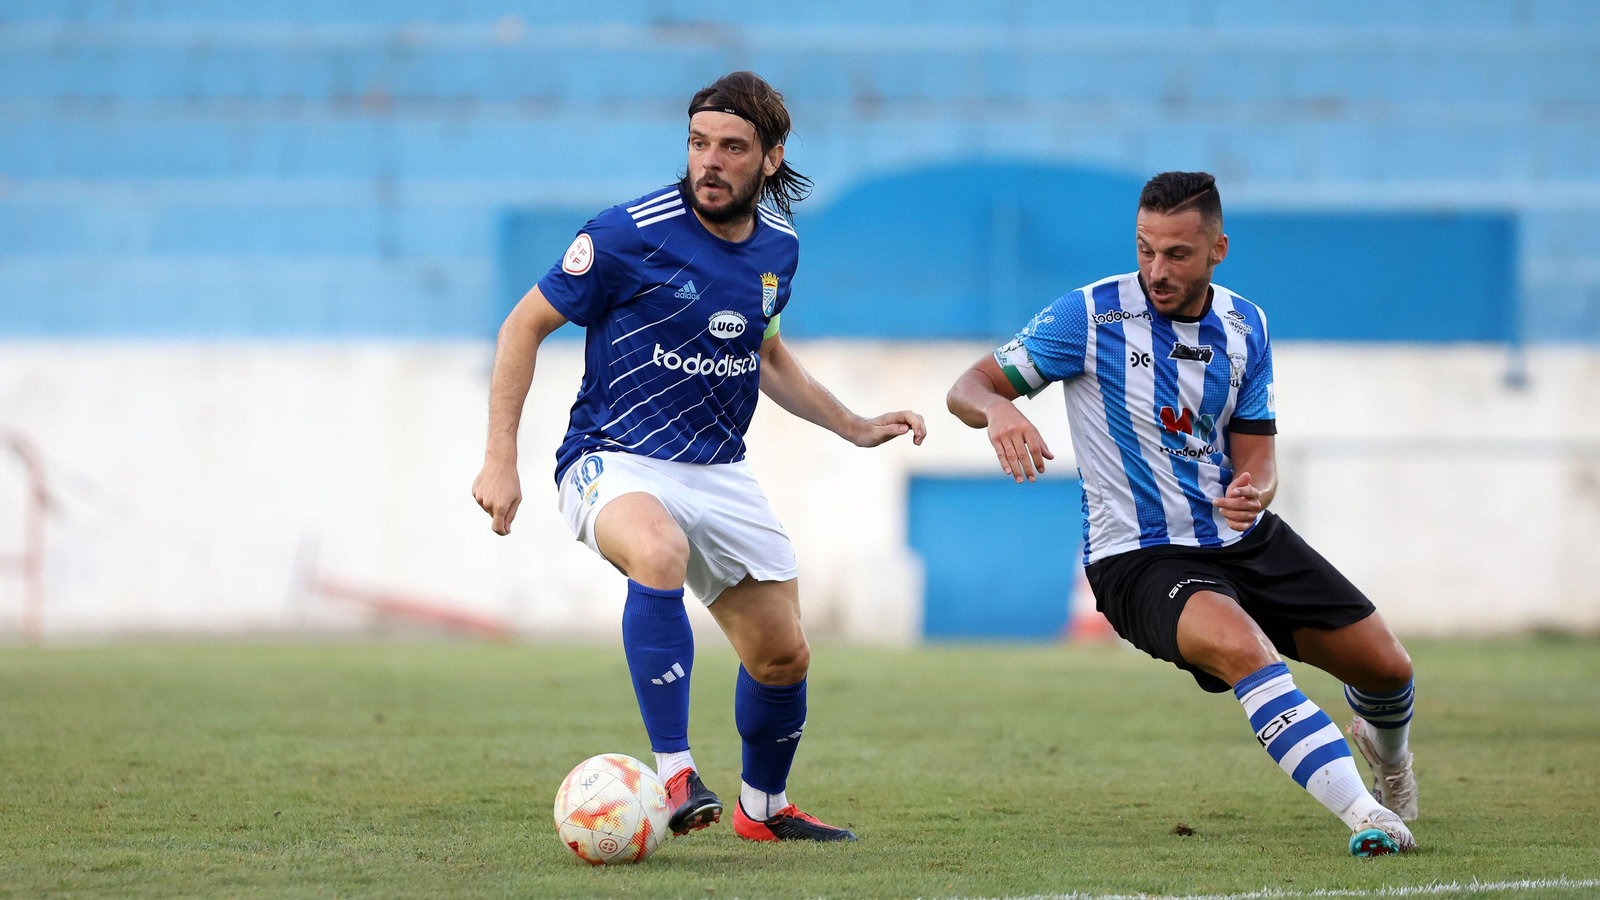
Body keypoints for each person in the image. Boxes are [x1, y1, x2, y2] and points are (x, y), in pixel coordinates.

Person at [472, 71, 924, 843]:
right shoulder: (627, 233)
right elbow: (522, 327)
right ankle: (675, 774)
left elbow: (768, 355)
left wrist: (850, 424)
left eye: (732, 148)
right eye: (698, 143)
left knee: (782, 655)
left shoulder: (779, 249)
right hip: (612, 457)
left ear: (771, 159)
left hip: (718, 469)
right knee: (659, 550)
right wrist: (499, 459)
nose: (709, 161)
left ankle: (765, 811)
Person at [945, 171, 1419, 857]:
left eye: (1176, 255)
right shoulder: (1090, 315)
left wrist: (1255, 487)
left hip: (1241, 539)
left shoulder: (1246, 324)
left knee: (1388, 669)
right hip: (1139, 556)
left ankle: (1390, 757)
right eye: (1145, 250)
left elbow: (1257, 453)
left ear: (1217, 249)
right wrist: (999, 409)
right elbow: (969, 385)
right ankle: (1366, 815)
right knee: (1243, 650)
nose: (1156, 271)